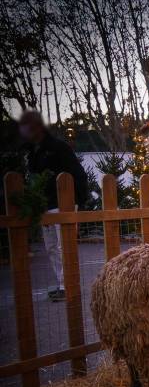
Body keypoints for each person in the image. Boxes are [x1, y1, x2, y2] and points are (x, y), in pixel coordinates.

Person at [19, 110, 89, 302]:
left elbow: (78, 173)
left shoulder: (58, 148)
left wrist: (80, 202)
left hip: (64, 204)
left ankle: (69, 286)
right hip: (45, 206)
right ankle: (61, 284)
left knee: (64, 246)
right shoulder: (31, 152)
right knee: (51, 247)